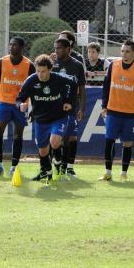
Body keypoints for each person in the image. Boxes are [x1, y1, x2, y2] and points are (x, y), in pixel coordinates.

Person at [17, 54, 77, 182]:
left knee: (55, 142)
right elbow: (19, 98)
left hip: (59, 117)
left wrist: (68, 101)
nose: (40, 74)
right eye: (38, 71)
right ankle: (48, 173)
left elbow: (73, 84)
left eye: (43, 71)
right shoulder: (31, 80)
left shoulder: (58, 78)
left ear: (50, 69)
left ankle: (59, 166)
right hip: (40, 120)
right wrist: (21, 104)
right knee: (43, 151)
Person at [99, 39, 134, 181]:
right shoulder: (113, 66)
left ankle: (123, 173)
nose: (124, 54)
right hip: (113, 111)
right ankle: (108, 172)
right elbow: (106, 87)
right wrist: (104, 106)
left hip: (131, 114)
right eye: (122, 51)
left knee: (127, 143)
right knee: (110, 140)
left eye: (127, 51)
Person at [0, 36, 35, 176]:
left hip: (20, 104)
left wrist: (30, 105)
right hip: (3, 102)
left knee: (17, 135)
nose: (11, 47)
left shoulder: (29, 65)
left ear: (22, 48)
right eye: (10, 45)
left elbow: (33, 87)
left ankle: (14, 166)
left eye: (15, 45)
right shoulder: (1, 62)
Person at [48, 38, 86, 179]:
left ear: (68, 49)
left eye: (59, 48)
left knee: (70, 137)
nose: (56, 50)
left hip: (71, 107)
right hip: (54, 107)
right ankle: (56, 165)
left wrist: (82, 108)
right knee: (55, 139)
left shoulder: (77, 66)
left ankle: (68, 167)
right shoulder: (52, 63)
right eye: (55, 47)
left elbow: (82, 89)